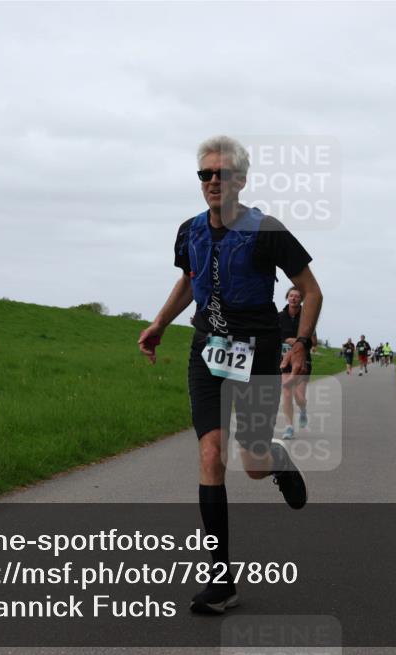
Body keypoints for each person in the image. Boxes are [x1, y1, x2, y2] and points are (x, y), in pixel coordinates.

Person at [138, 136, 323, 615]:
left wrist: (300, 343)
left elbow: (310, 289)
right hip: (207, 352)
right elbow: (188, 279)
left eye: (222, 174)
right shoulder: (189, 231)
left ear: (241, 179)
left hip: (258, 353)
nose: (213, 181)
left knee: (254, 462)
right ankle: (221, 581)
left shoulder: (267, 230)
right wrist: (160, 324)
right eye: (205, 174)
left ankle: (276, 457)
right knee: (210, 453)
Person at [278, 286, 316, 439]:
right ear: (287, 297)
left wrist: (299, 343)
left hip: (302, 360)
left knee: (299, 396)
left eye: (297, 296)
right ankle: (288, 427)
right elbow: (273, 336)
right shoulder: (279, 317)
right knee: (287, 392)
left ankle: (303, 409)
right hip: (284, 359)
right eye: (291, 296)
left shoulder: (307, 318)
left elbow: (313, 341)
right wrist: (286, 340)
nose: (293, 298)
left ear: (301, 300)